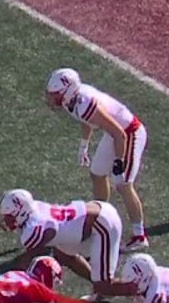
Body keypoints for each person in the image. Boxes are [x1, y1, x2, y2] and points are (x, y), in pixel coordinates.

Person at [45, 67, 150, 248]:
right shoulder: (74, 102)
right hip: (115, 134)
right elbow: (87, 121)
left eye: (55, 94)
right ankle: (102, 220)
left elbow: (120, 134)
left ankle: (140, 236)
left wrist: (119, 161)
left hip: (130, 133)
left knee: (123, 183)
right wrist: (83, 146)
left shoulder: (85, 102)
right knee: (97, 173)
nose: (52, 99)